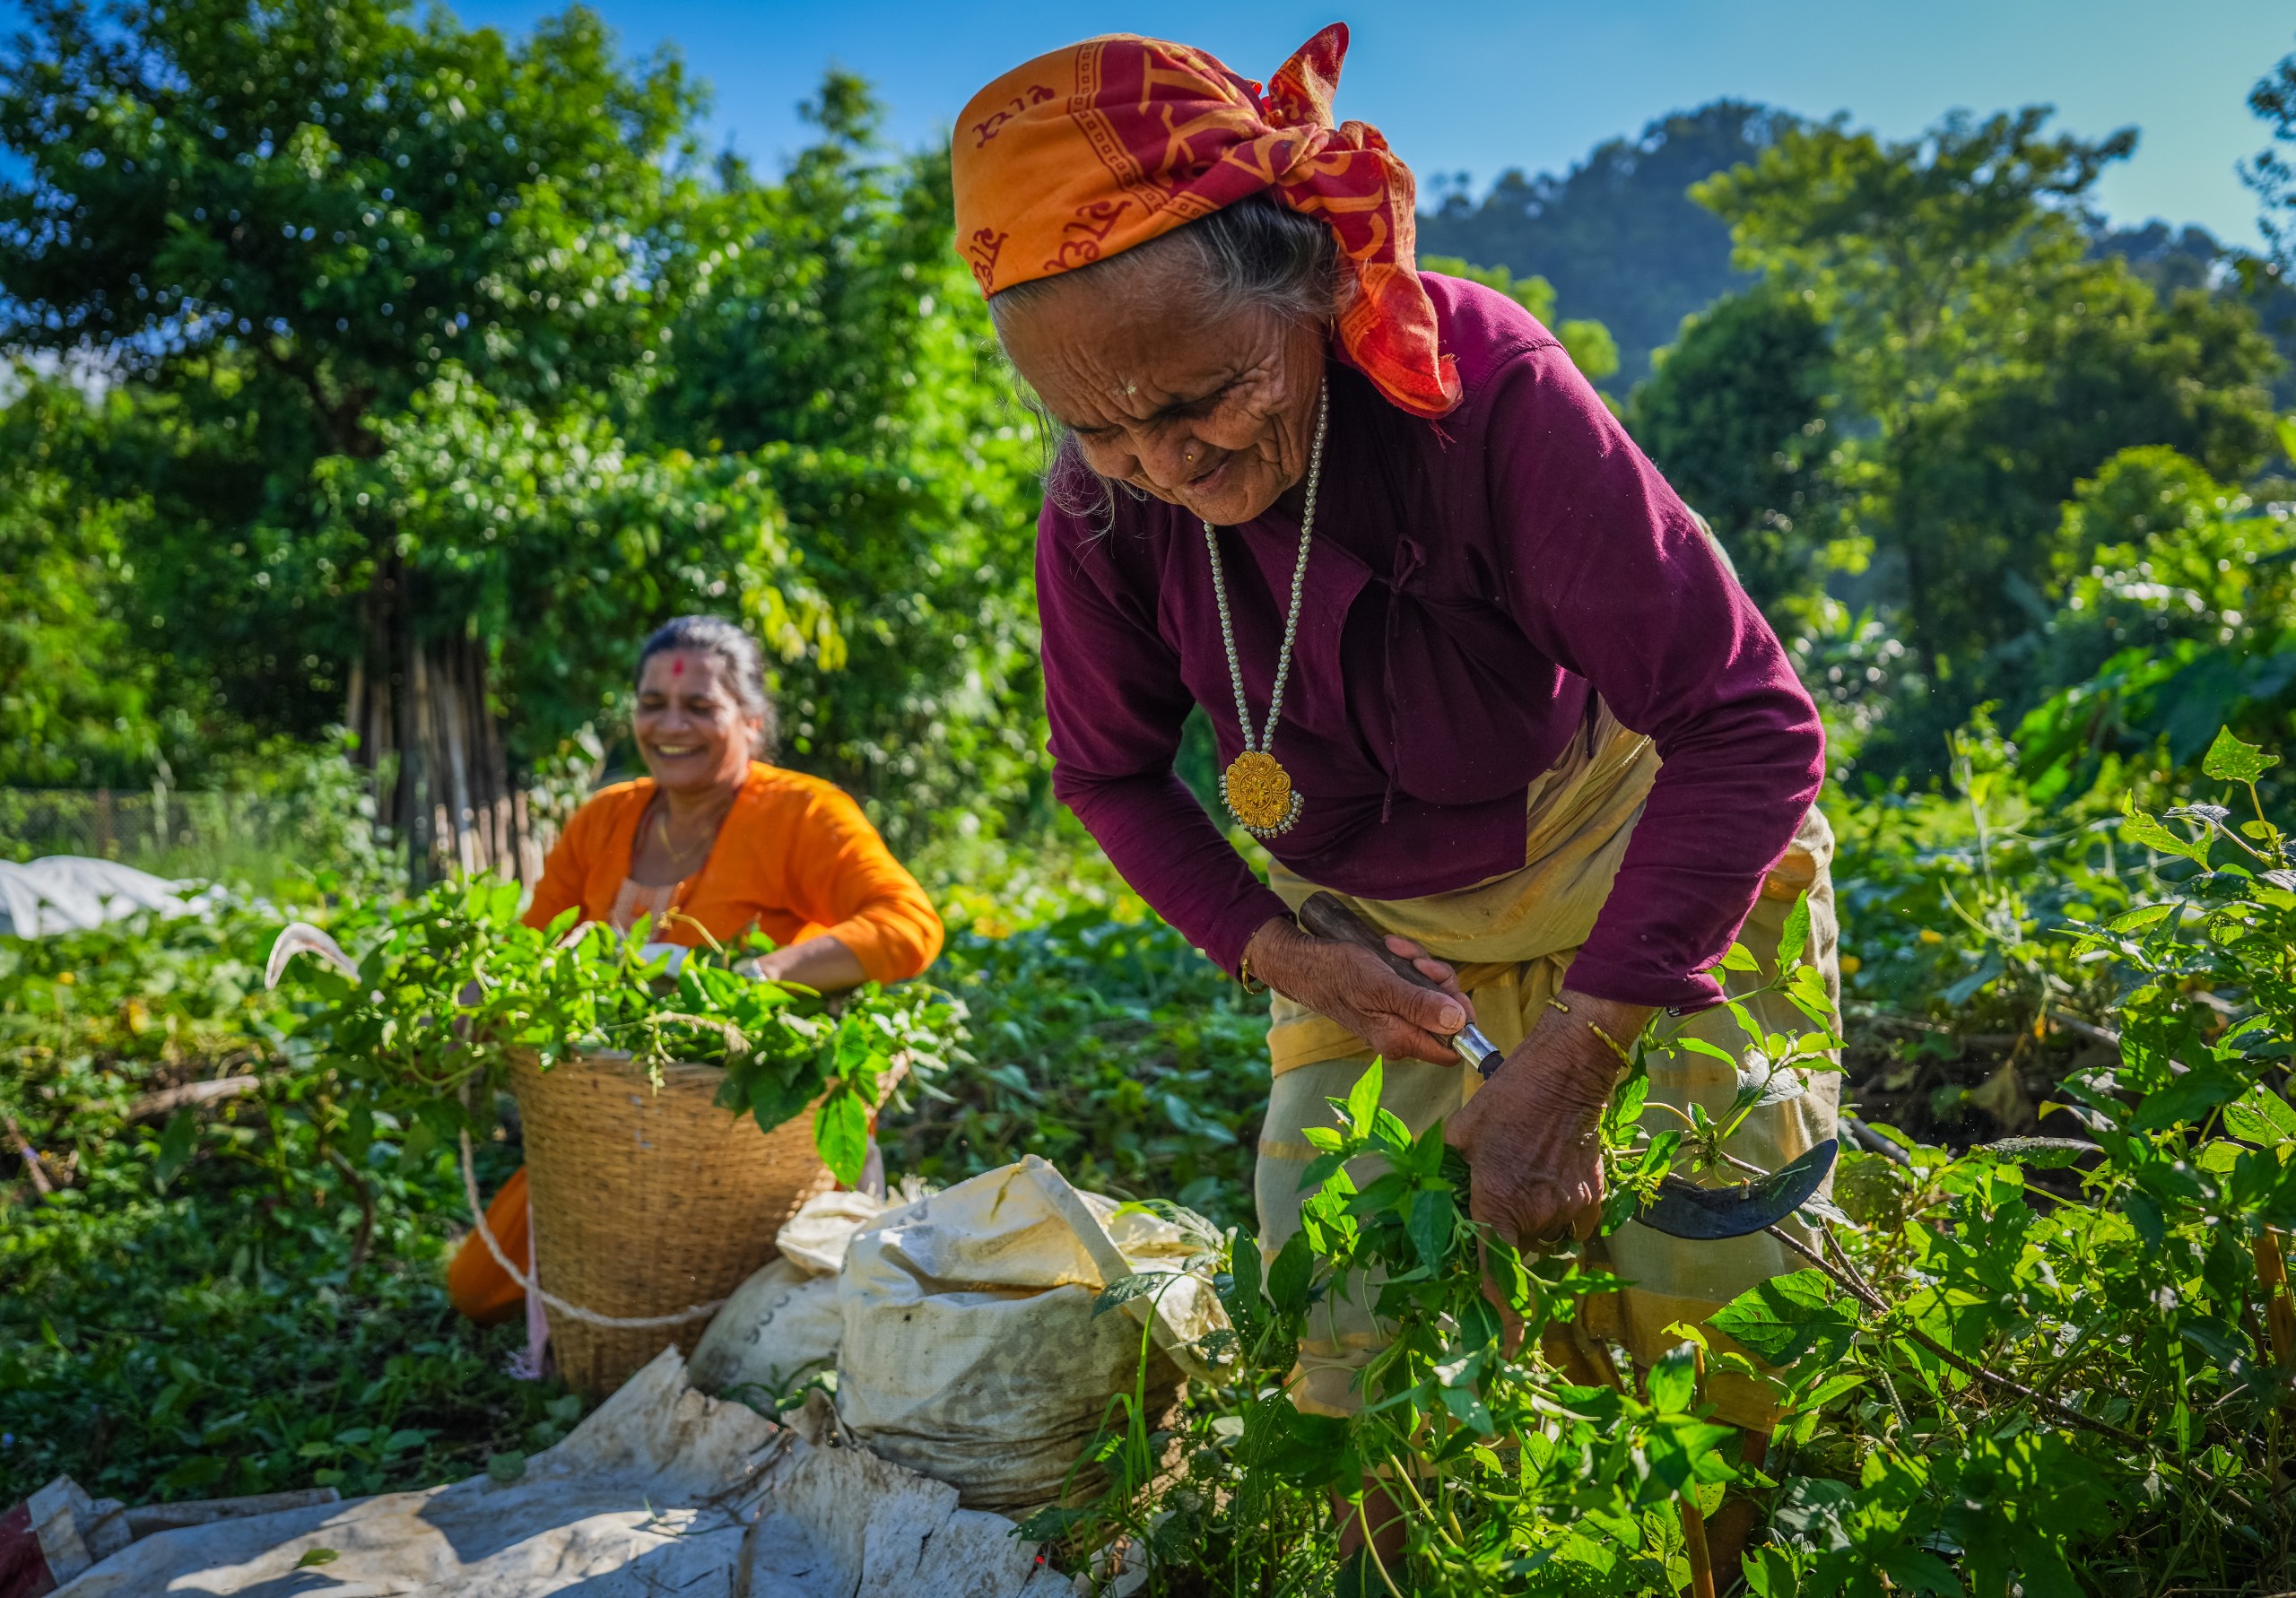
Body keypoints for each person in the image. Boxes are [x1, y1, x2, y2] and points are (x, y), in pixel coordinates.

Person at [952, 24, 1839, 1576]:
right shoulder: (1102, 504)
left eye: (1205, 398)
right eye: (1099, 426)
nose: (1164, 463)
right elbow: (1103, 771)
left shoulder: (1481, 393)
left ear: (1302, 283)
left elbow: (1750, 727)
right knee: (1349, 1338)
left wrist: (1577, 1056)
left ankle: (1738, 1566)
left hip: (1642, 862)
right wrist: (1290, 956)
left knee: (1721, 1298)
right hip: (1378, 938)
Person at [447, 614, 944, 1324]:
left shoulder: (801, 813)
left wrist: (762, 975)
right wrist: (477, 990)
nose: (670, 724)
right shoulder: (605, 819)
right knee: (475, 1288)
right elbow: (533, 942)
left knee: (734, 1311)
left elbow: (909, 925)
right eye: (652, 704)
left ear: (751, 719)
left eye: (699, 706)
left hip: (748, 1135)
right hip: (609, 1125)